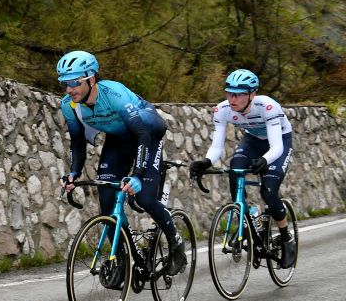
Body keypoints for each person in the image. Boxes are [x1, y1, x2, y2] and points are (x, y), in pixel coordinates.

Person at [56, 50, 187, 276]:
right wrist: (73, 173)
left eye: (74, 82)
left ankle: (176, 243)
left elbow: (142, 134)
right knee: (107, 204)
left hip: (147, 135)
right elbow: (77, 141)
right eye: (64, 83)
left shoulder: (114, 94)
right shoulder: (70, 105)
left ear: (91, 78)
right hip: (117, 140)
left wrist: (137, 173)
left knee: (145, 197)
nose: (69, 89)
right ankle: (123, 260)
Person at [188, 69, 296, 268]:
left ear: (252, 94)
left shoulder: (268, 106)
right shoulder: (222, 110)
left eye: (238, 94)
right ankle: (248, 219)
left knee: (268, 190)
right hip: (252, 141)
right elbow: (217, 146)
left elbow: (277, 147)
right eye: (229, 93)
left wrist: (264, 160)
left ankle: (286, 237)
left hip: (279, 141)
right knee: (234, 170)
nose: (232, 99)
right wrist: (206, 162)